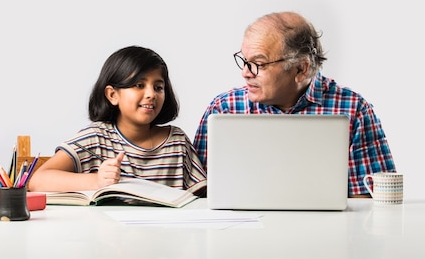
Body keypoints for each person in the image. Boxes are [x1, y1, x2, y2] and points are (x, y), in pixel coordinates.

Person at [193, 11, 395, 198]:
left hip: (327, 234)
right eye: (244, 61)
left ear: (301, 69)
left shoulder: (354, 109)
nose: (245, 72)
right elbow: (198, 198)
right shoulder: (223, 109)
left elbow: (370, 203)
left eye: (259, 64)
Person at [29, 45, 207, 196]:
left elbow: (203, 194)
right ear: (113, 95)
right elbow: (37, 181)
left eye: (158, 87)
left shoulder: (177, 141)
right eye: (139, 85)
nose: (151, 94)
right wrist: (96, 180)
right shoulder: (96, 137)